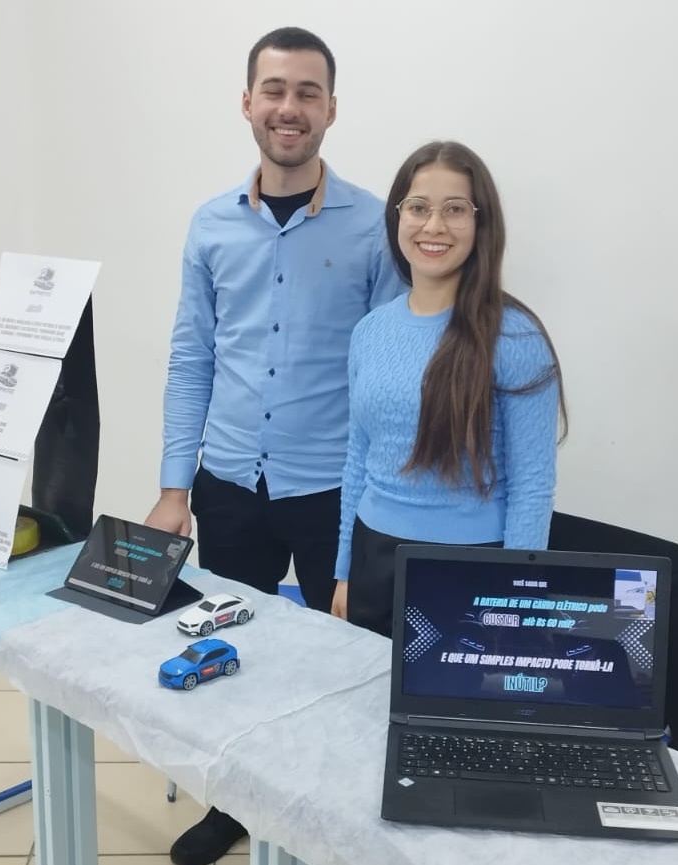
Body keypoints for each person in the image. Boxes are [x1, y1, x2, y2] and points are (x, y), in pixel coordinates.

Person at [145, 26, 404, 865]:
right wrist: (174, 487)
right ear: (248, 101)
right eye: (275, 90)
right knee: (235, 649)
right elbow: (191, 358)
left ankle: (339, 815)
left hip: (334, 489)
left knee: (349, 659)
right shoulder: (210, 225)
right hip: (227, 483)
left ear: (331, 108)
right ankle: (233, 803)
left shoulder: (375, 228)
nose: (289, 108)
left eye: (307, 92)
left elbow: (391, 370)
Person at [331, 140, 568, 638]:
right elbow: (358, 459)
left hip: (471, 569)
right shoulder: (370, 331)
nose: (434, 226)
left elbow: (532, 485)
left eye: (455, 209)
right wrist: (345, 571)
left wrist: (519, 597)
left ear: (481, 223)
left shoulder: (516, 337)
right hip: (374, 558)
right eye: (418, 207)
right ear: (398, 216)